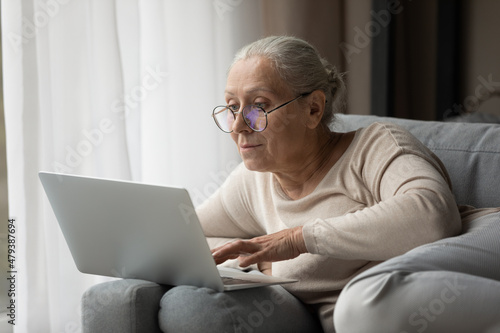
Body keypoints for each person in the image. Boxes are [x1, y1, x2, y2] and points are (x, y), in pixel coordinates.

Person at [158, 36, 500, 332]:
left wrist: (298, 238)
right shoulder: (252, 182)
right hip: (378, 311)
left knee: (362, 304)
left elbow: (431, 215)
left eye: (258, 106)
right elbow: (186, 238)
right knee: (359, 309)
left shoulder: (376, 145)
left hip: (477, 237)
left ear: (313, 109)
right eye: (233, 107)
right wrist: (260, 261)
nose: (238, 126)